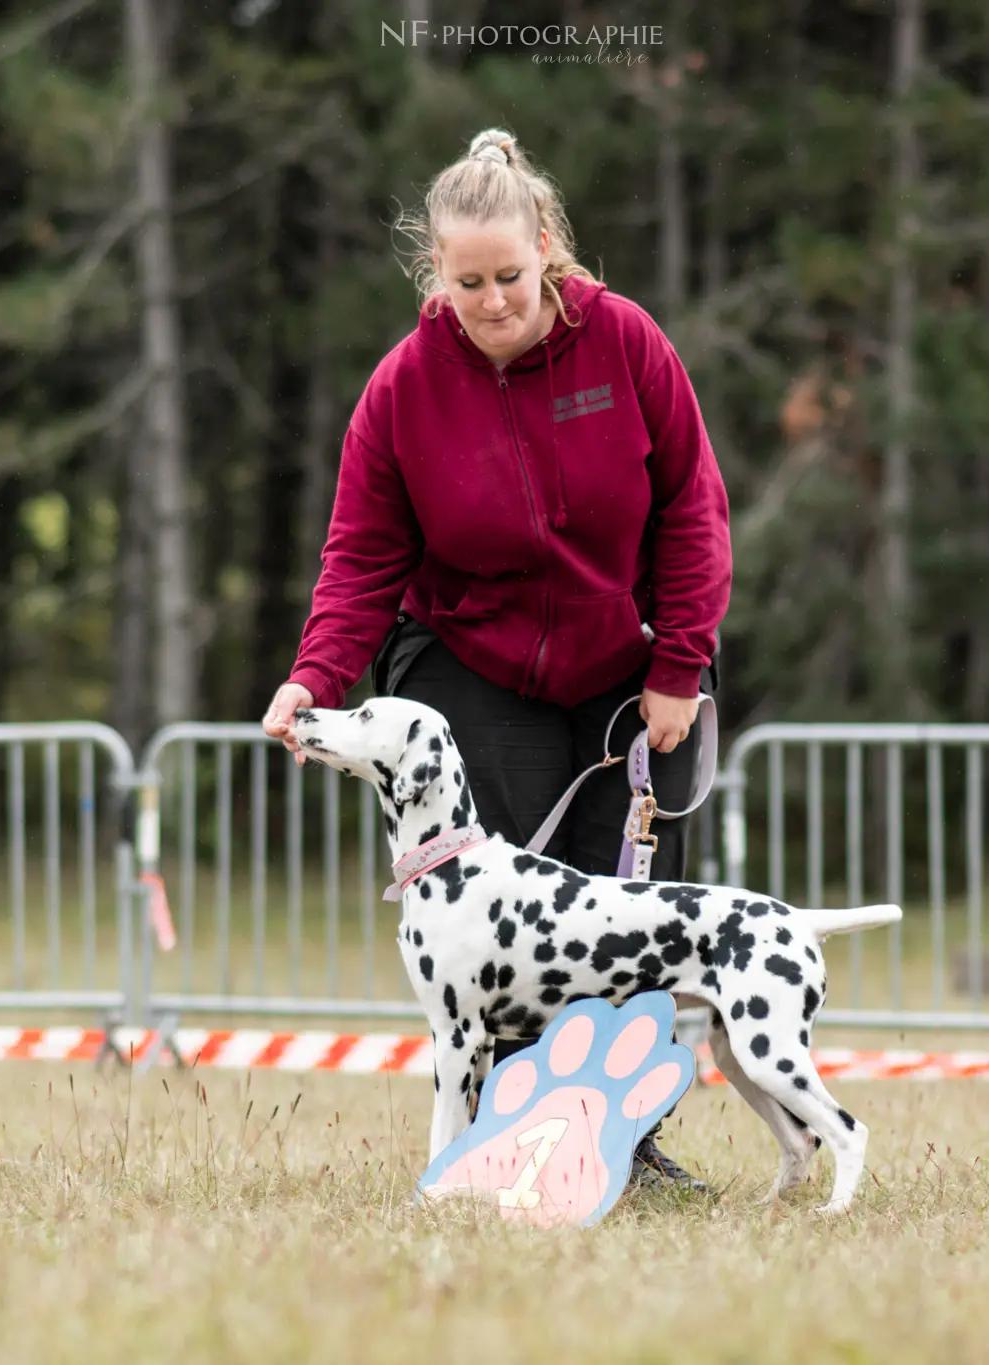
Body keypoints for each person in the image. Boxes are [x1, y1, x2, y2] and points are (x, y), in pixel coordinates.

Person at [261, 127, 731, 1190]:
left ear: (547, 249)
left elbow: (692, 511)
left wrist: (680, 667)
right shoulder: (401, 389)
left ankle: (626, 1144)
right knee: (506, 927)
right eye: (465, 282)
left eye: (509, 278)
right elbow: (358, 560)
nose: (491, 303)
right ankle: (515, 1144)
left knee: (628, 919)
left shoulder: (625, 344)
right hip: (470, 658)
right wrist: (313, 682)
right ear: (436, 272)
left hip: (628, 660)